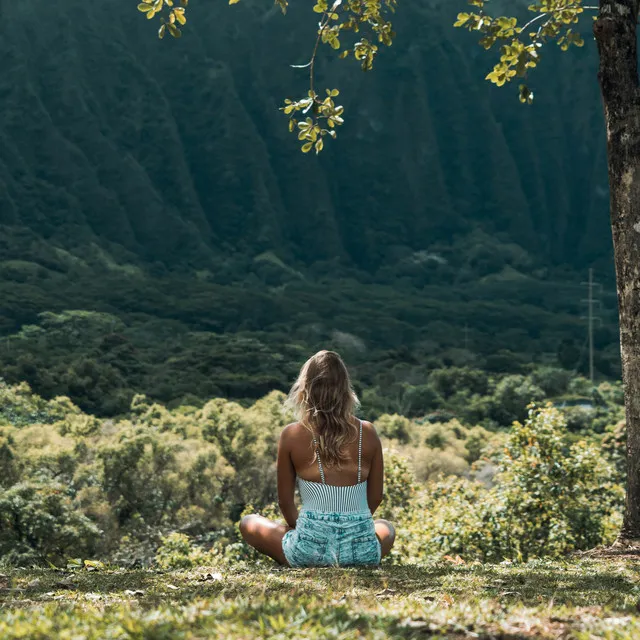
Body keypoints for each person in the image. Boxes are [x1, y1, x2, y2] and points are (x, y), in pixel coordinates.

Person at [239, 350, 395, 567]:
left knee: (249, 522)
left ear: (305, 389)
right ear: (345, 390)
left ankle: (304, 554)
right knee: (386, 527)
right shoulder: (368, 432)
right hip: (361, 551)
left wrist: (311, 533)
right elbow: (376, 497)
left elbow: (285, 502)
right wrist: (351, 527)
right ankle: (353, 555)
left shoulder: (292, 434)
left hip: (309, 551)